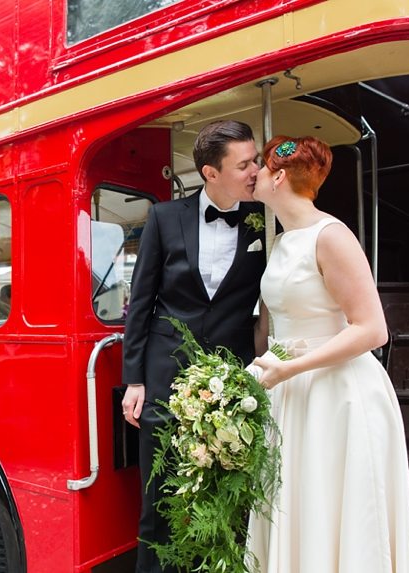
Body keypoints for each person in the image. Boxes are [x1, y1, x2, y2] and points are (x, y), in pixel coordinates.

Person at [246, 136, 409, 572]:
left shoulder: (332, 235)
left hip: (336, 393)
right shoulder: (284, 242)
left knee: (335, 506)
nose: (255, 176)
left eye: (261, 169)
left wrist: (292, 367)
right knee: (298, 505)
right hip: (290, 392)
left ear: (278, 176)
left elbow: (373, 329)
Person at [121, 120, 266, 573]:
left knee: (226, 505)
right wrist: (134, 379)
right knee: (159, 502)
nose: (254, 171)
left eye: (255, 160)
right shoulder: (164, 218)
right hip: (164, 379)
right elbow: (140, 302)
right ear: (210, 172)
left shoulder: (264, 218)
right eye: (244, 164)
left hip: (232, 386)